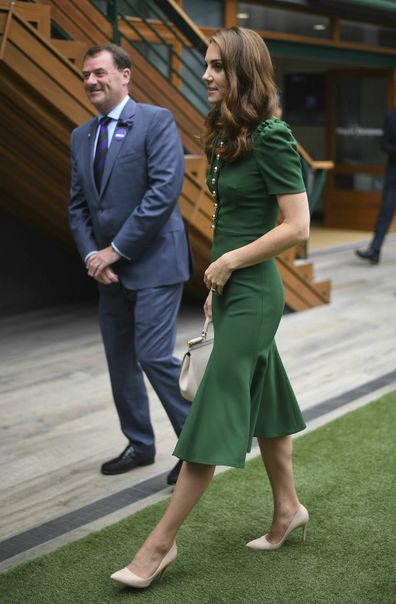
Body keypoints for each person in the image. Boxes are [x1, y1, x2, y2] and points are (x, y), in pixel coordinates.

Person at [110, 27, 310, 589]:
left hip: (256, 292)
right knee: (266, 402)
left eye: (217, 66)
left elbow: (297, 227)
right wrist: (217, 281)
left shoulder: (271, 135)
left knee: (210, 411)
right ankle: (288, 508)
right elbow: (231, 224)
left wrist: (227, 265)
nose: (206, 75)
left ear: (243, 71)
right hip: (230, 291)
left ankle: (157, 547)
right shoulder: (229, 133)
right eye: (206, 65)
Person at [68, 44, 192, 486]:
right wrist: (91, 257)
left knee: (153, 355)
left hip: (155, 262)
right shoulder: (80, 135)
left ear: (125, 76)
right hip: (108, 272)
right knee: (120, 361)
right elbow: (78, 208)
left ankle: (198, 444)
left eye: (99, 72)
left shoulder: (156, 121)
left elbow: (163, 192)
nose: (90, 81)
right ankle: (140, 444)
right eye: (85, 74)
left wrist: (113, 251)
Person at [355, 108, 396, 264]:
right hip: (393, 174)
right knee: (385, 212)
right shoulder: (391, 116)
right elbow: (384, 144)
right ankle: (375, 250)